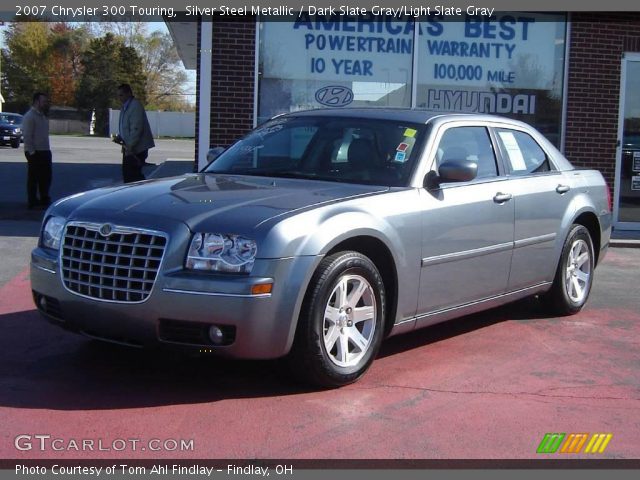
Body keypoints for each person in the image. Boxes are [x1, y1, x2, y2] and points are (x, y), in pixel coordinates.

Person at [114, 83, 155, 183]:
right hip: (128, 147)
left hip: (136, 148)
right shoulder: (125, 107)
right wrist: (120, 137)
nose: (120, 98)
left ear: (129, 93)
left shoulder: (135, 106)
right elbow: (126, 126)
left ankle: (139, 194)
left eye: (121, 95)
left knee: (132, 176)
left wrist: (130, 146)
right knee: (129, 175)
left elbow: (137, 128)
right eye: (118, 95)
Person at [22, 92, 52, 209]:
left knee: (46, 177)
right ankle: (32, 200)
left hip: (45, 150)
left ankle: (44, 198)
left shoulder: (43, 116)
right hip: (35, 152)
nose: (45, 103)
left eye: (46, 101)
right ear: (36, 102)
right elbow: (27, 136)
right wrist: (32, 152)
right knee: (34, 177)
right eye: (43, 101)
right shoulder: (29, 116)